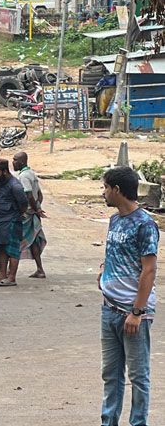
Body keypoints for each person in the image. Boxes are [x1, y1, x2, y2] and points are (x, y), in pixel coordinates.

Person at [99, 166, 159, 426]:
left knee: (138, 376)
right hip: (109, 309)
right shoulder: (115, 221)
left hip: (133, 313)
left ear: (117, 190)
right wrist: (105, 273)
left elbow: (149, 269)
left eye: (105, 188)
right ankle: (108, 421)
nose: (103, 193)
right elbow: (116, 255)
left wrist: (137, 312)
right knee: (110, 374)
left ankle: (138, 423)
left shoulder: (145, 225)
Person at [0, 159, 28, 287]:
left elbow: (23, 203)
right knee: (1, 248)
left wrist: (17, 214)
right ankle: (2, 275)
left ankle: (11, 277)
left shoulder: (15, 185)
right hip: (0, 221)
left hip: (12, 221)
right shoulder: (1, 182)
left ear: (5, 171)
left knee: (12, 249)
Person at [15, 152, 48, 279]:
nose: (13, 162)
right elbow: (39, 194)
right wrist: (38, 207)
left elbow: (28, 195)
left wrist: (35, 209)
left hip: (26, 214)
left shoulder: (24, 176)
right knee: (33, 240)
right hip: (32, 213)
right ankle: (40, 269)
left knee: (16, 241)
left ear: (22, 162)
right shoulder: (31, 173)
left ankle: (10, 272)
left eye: (15, 160)